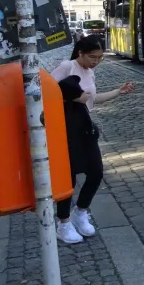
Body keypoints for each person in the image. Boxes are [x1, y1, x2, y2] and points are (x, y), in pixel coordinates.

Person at [50, 35, 134, 243]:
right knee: (67, 178)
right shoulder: (67, 66)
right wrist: (71, 97)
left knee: (96, 172)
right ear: (80, 53)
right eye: (92, 57)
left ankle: (80, 212)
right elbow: (44, 92)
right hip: (64, 130)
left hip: (85, 128)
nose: (96, 62)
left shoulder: (90, 72)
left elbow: (92, 100)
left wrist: (117, 92)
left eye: (100, 58)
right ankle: (63, 222)